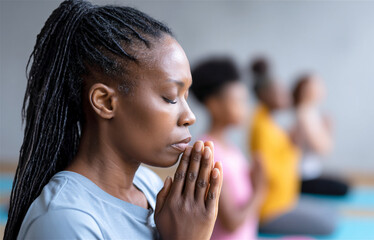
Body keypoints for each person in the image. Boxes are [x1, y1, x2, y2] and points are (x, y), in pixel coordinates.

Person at [4, 1, 223, 239]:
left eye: (185, 97)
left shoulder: (150, 186)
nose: (190, 116)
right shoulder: (64, 221)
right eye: (170, 97)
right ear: (105, 102)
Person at [249, 58, 336, 236]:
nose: (287, 96)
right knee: (329, 225)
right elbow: (267, 168)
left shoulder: (270, 122)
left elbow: (286, 150)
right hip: (273, 207)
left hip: (287, 198)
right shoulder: (260, 124)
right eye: (280, 93)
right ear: (265, 95)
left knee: (332, 214)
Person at [191, 58, 267, 240]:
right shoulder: (209, 151)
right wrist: (260, 191)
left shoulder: (231, 148)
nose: (245, 109)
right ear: (214, 105)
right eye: (238, 101)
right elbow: (231, 223)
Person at [291, 73, 349, 196]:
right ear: (306, 91)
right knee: (344, 187)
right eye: (317, 86)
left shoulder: (310, 112)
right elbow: (323, 149)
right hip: (303, 176)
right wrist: (328, 130)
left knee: (343, 179)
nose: (322, 89)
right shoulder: (304, 114)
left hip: (311, 172)